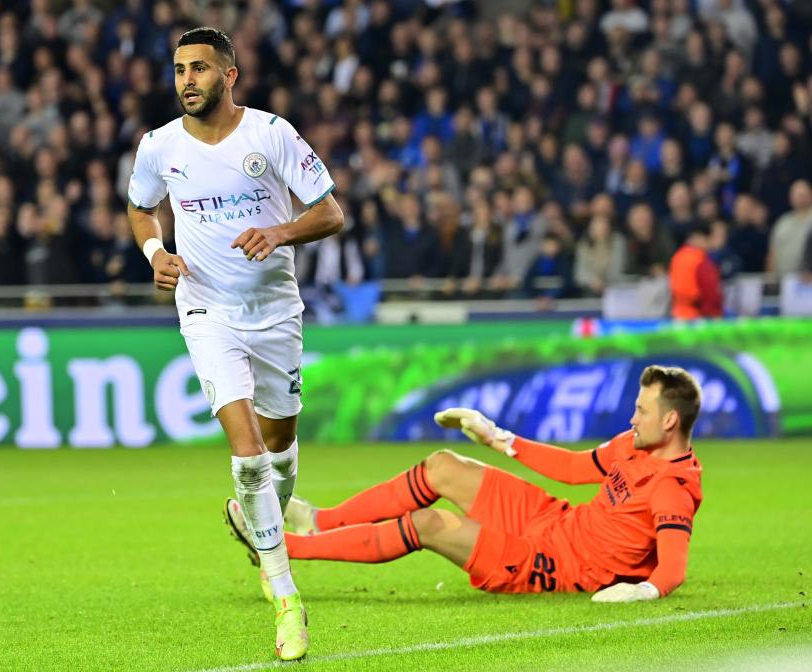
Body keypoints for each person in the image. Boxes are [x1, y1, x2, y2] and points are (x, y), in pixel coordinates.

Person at [126, 27, 343, 661]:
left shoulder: (271, 134)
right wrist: (154, 251)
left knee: (280, 457)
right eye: (178, 69)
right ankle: (287, 599)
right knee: (248, 456)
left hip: (275, 313)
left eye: (199, 68)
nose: (186, 79)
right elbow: (141, 207)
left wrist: (279, 232)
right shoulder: (158, 146)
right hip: (206, 310)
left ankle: (258, 522)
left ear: (230, 76)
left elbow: (330, 213)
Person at [227, 365, 704, 604]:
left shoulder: (674, 487)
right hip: (556, 521)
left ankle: (280, 549)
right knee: (443, 465)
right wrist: (498, 437)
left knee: (431, 523)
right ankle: (320, 521)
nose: (632, 417)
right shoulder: (631, 443)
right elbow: (577, 469)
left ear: (670, 420)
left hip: (558, 565)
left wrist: (642, 592)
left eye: (642, 411)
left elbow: (674, 568)